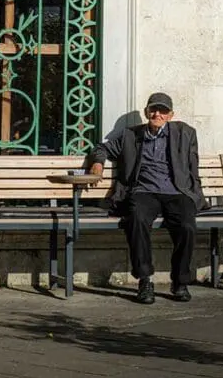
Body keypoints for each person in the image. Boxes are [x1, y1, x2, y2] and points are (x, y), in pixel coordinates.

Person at [86, 92, 205, 304]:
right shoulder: (131, 136)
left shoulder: (185, 133)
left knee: (187, 225)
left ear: (171, 115)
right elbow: (101, 148)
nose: (157, 114)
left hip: (177, 191)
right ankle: (145, 279)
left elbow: (192, 168)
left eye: (163, 111)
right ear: (146, 112)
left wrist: (194, 193)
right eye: (153, 109)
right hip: (144, 191)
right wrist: (98, 163)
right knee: (137, 218)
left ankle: (180, 281)